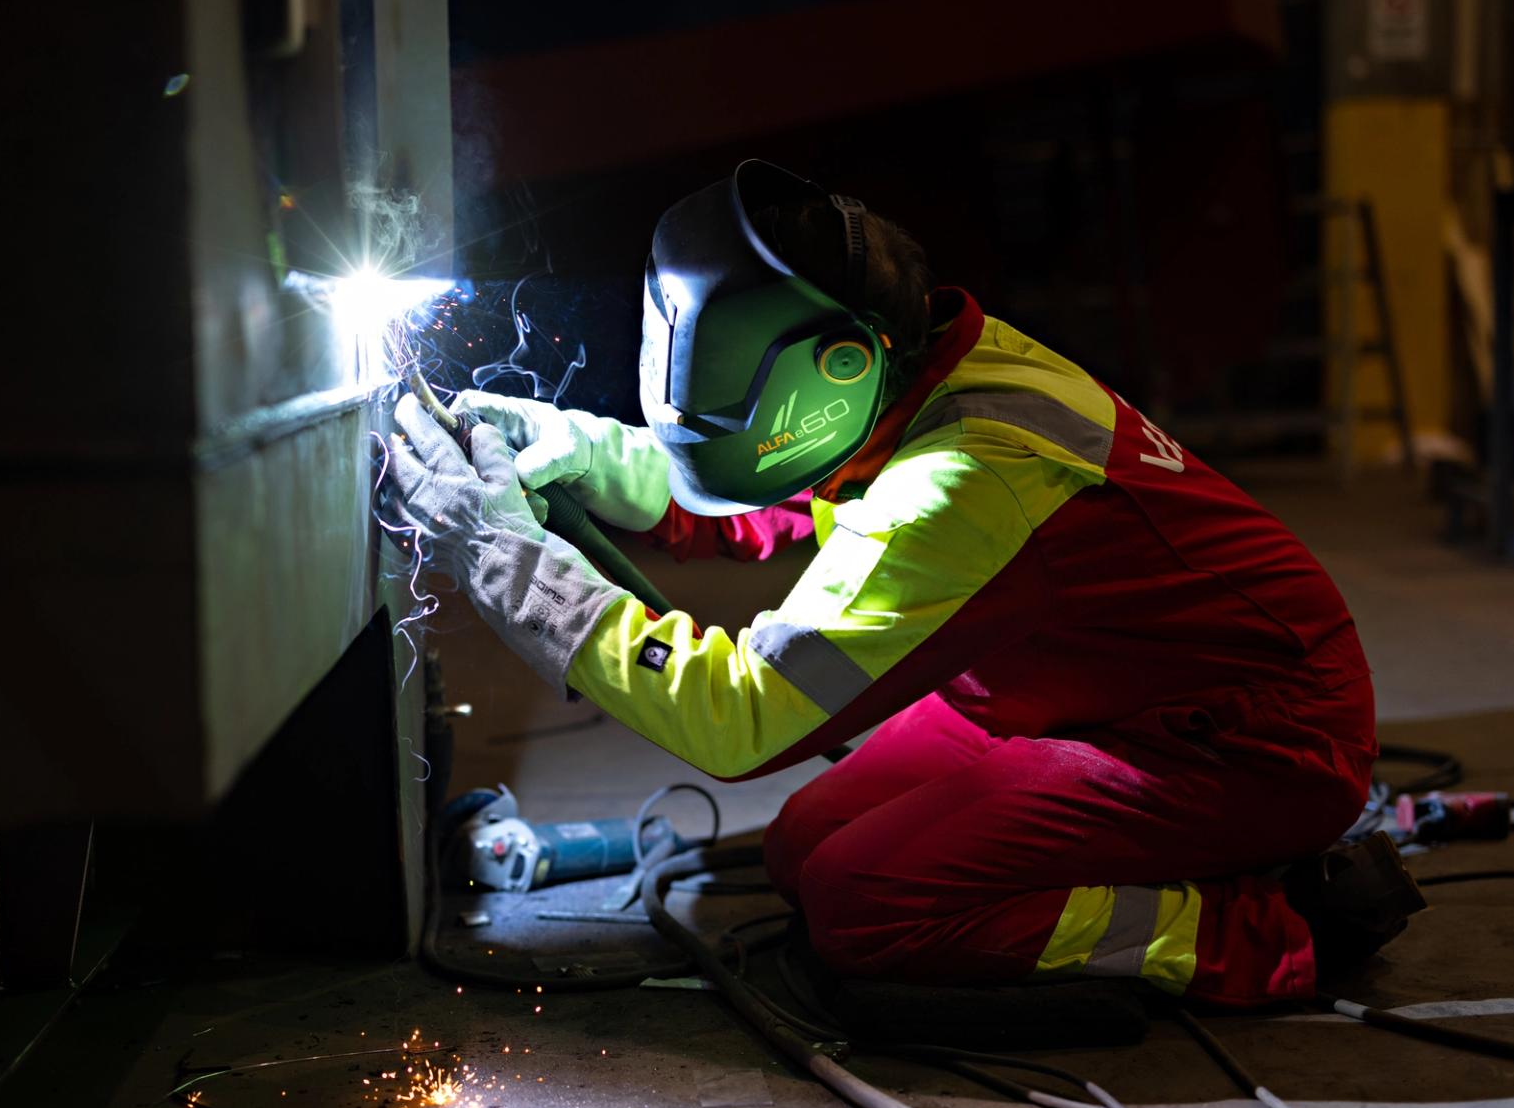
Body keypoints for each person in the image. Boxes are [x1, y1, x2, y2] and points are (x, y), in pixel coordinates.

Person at [382, 160, 1424, 1006]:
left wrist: (506, 560)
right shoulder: (913, 368)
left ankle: (1260, 932)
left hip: (1242, 741)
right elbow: (755, 497)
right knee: (802, 847)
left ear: (835, 369)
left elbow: (740, 721)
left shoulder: (970, 471)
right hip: (1064, 691)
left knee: (864, 902)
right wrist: (572, 448)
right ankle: (1149, 859)